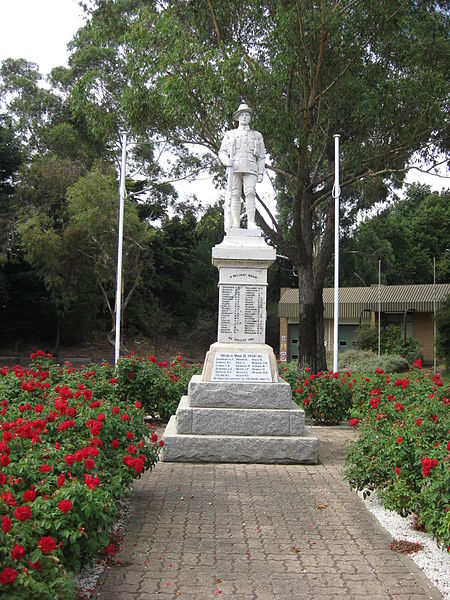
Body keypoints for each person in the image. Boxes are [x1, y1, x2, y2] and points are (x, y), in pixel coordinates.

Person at [219, 101, 266, 229]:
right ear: (238, 117)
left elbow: (261, 156)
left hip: (250, 167)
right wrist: (226, 161)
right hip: (234, 168)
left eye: (247, 115)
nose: (244, 117)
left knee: (250, 192)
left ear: (250, 117)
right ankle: (236, 223)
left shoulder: (257, 135)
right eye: (242, 115)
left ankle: (251, 222)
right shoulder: (230, 134)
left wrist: (261, 172)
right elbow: (222, 151)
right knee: (235, 194)